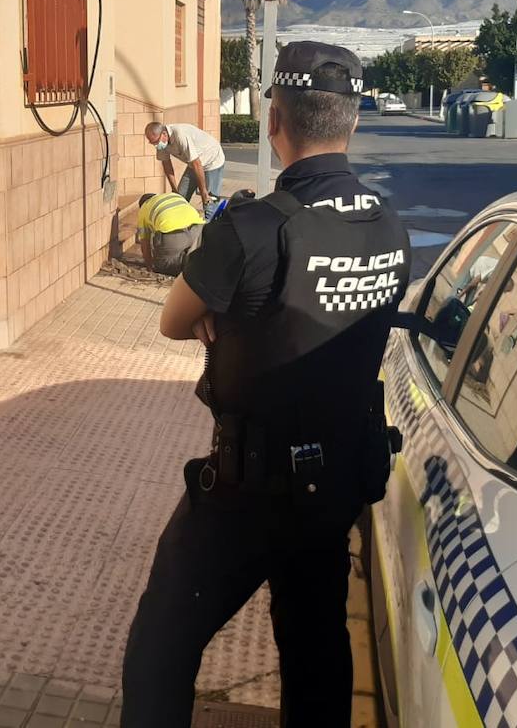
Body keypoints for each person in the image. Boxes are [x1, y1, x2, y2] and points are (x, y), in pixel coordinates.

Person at [121, 42, 412, 727]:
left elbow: (172, 320)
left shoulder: (251, 230)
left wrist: (226, 314)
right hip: (336, 483)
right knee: (316, 653)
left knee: (160, 648)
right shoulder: (392, 228)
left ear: (273, 120)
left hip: (246, 495)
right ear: (353, 123)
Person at [143, 121, 225, 207]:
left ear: (164, 134)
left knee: (209, 202)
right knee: (179, 199)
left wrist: (203, 192)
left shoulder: (180, 135)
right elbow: (166, 164)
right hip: (193, 164)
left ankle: (211, 219)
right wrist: (174, 189)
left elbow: (196, 163)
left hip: (212, 161)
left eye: (156, 142)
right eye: (152, 143)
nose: (156, 145)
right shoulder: (161, 143)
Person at [136, 192, 205, 276]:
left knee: (163, 266)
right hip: (198, 229)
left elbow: (145, 244)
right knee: (195, 256)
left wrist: (149, 267)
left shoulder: (143, 208)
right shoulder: (173, 195)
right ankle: (196, 263)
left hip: (173, 234)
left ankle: (184, 265)